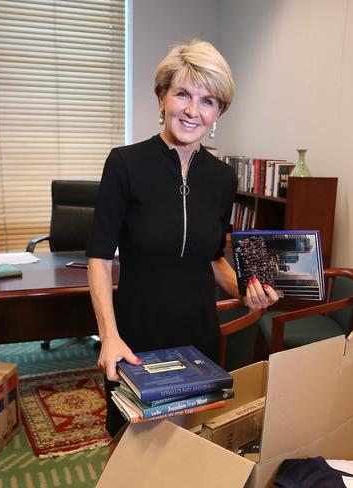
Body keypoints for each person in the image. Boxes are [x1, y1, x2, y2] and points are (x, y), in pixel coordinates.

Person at [86, 39, 279, 437]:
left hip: (198, 336)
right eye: (183, 94)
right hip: (136, 336)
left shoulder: (223, 177)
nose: (193, 111)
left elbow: (212, 258)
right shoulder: (124, 164)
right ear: (162, 97)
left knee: (190, 441)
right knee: (128, 442)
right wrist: (109, 336)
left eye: (208, 100)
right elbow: (100, 258)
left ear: (218, 111)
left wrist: (249, 289)